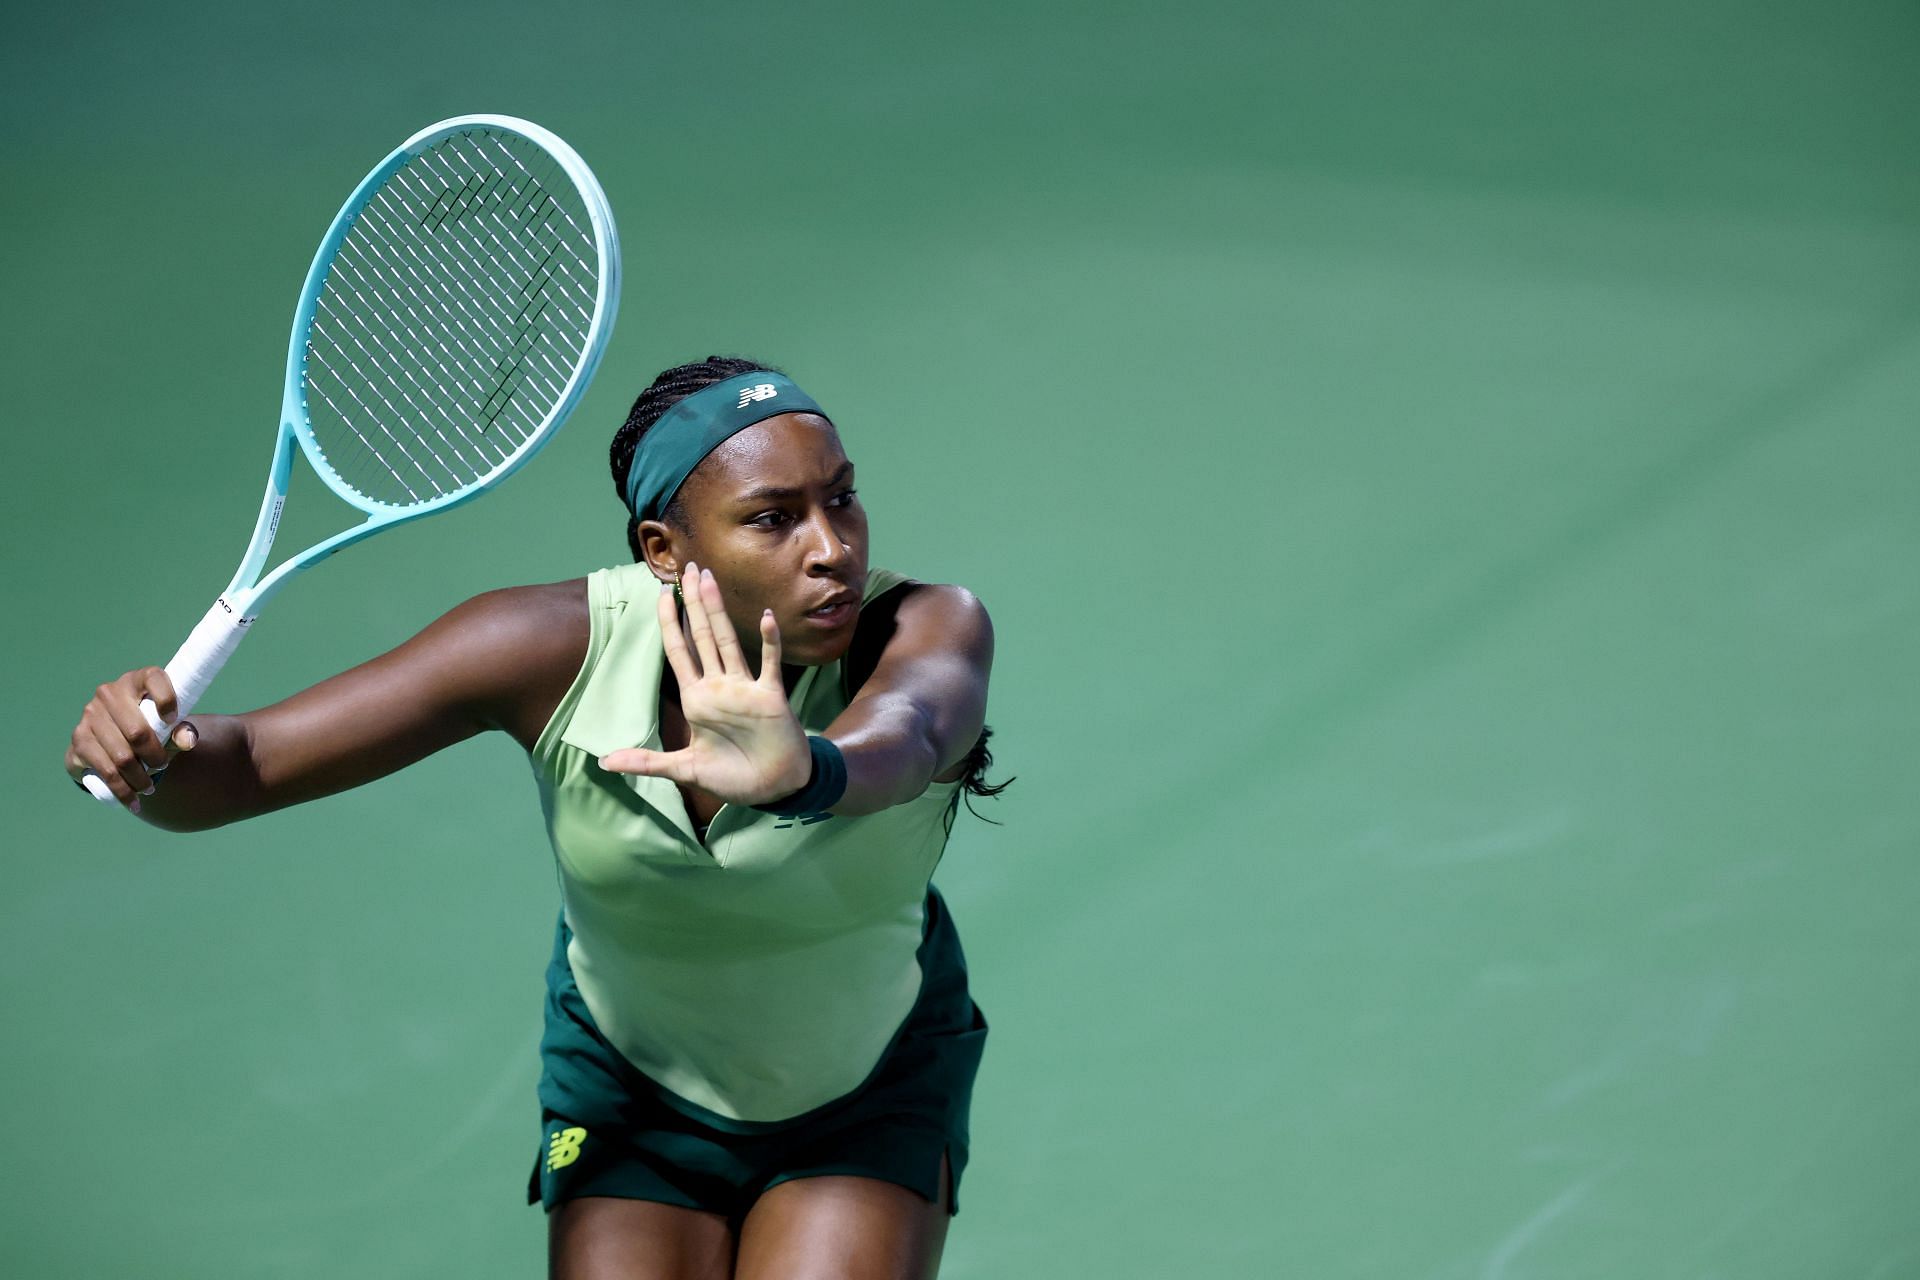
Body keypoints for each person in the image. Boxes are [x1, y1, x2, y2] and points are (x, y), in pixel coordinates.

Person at [64, 355, 1005, 1280]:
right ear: (663, 550)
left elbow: (913, 732)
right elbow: (246, 768)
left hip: (866, 1084)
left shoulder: (926, 627)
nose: (831, 548)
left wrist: (808, 771)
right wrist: (149, 753)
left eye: (841, 498)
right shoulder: (541, 648)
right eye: (773, 518)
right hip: (631, 1087)